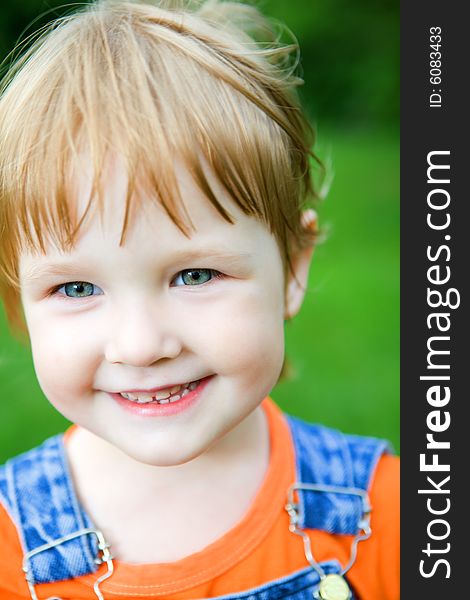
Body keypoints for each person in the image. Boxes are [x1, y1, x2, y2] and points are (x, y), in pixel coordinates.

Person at [0, 1, 399, 598]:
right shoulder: (8, 549)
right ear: (19, 301)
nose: (141, 345)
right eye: (77, 288)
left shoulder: (383, 516)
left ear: (292, 270)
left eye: (194, 276)